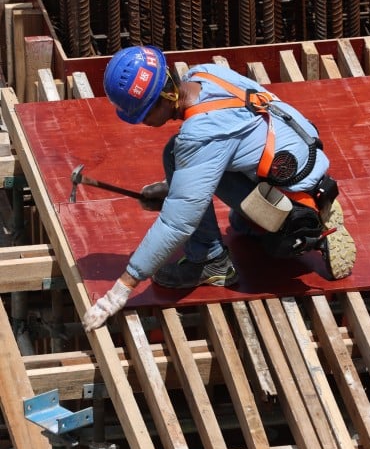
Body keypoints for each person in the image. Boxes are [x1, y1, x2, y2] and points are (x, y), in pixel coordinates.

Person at [83, 45, 355, 332]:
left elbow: (177, 224)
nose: (144, 124)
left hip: (292, 205)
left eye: (142, 116)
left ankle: (211, 260)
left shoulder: (199, 136)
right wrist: (174, 190)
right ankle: (299, 210)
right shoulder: (206, 74)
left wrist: (120, 290)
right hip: (306, 167)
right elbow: (231, 139)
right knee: (183, 159)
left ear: (163, 98)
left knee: (179, 154)